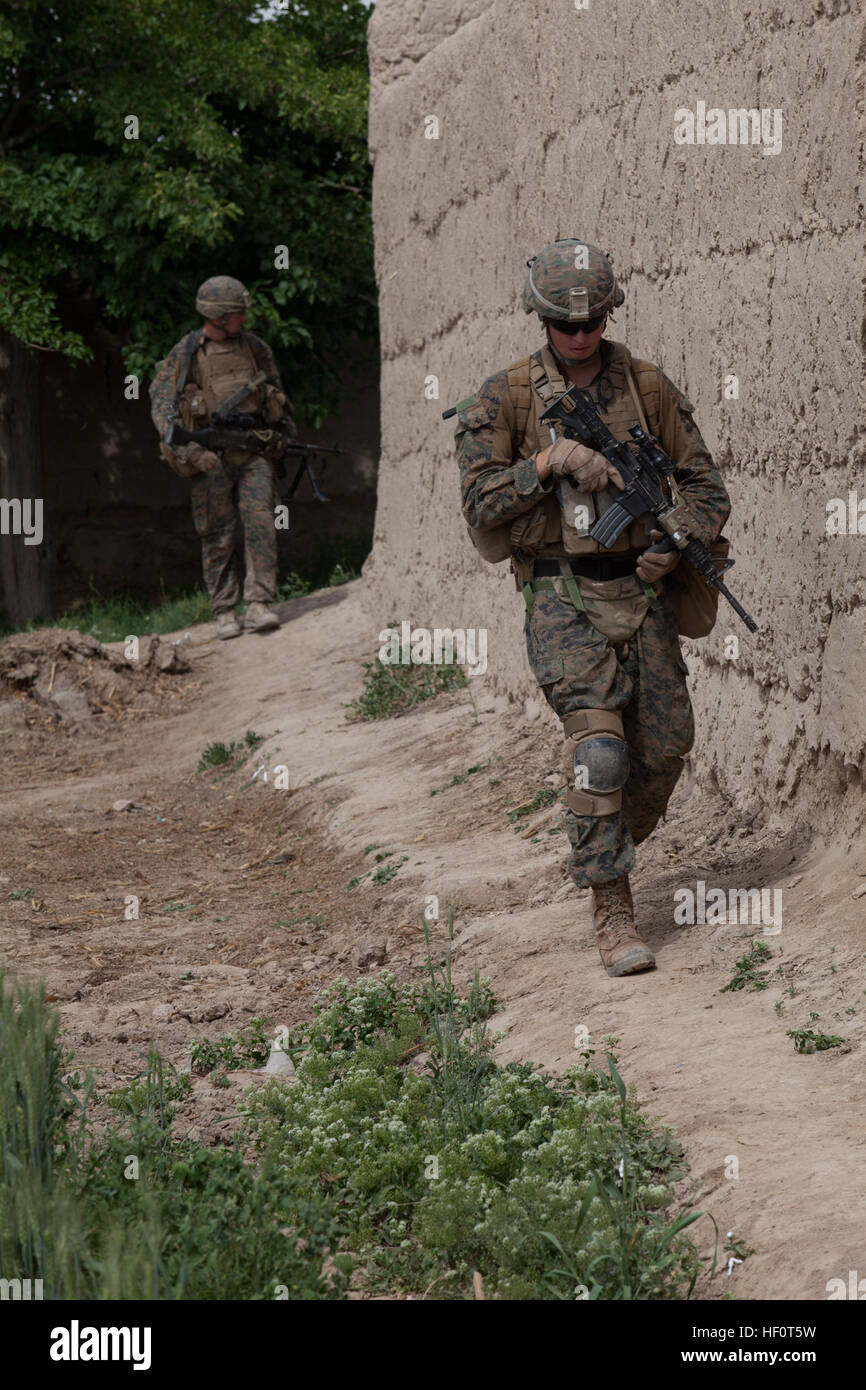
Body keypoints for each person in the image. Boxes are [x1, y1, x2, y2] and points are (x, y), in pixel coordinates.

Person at [455, 239, 731, 976]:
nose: (580, 337)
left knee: (666, 749)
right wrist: (548, 462)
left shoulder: (645, 385)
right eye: (565, 324)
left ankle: (602, 842)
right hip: (559, 591)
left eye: (593, 323)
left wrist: (676, 541)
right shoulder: (506, 396)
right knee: (600, 752)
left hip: (642, 592)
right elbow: (479, 504)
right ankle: (612, 907)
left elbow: (706, 488)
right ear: (541, 319)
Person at [149, 276, 294, 639]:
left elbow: (277, 396)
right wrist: (192, 452)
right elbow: (163, 411)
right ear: (218, 316)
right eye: (237, 313)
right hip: (209, 459)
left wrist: (282, 437)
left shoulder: (255, 349)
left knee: (262, 522)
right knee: (218, 532)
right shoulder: (184, 355)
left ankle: (259, 603)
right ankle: (225, 611)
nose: (244, 319)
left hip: (253, 454)